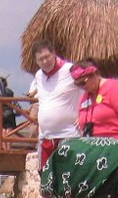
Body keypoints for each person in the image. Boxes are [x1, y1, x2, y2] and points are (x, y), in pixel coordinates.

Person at [31, 40, 82, 168]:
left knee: (67, 177)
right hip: (46, 137)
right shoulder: (38, 76)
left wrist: (84, 114)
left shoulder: (70, 70)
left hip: (69, 134)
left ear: (54, 53)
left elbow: (89, 88)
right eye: (40, 59)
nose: (44, 62)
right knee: (45, 178)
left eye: (47, 57)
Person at [72, 59, 118, 142]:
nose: (82, 87)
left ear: (95, 74)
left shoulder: (114, 88)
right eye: (77, 84)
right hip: (95, 145)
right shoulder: (85, 97)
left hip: (117, 142)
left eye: (83, 82)